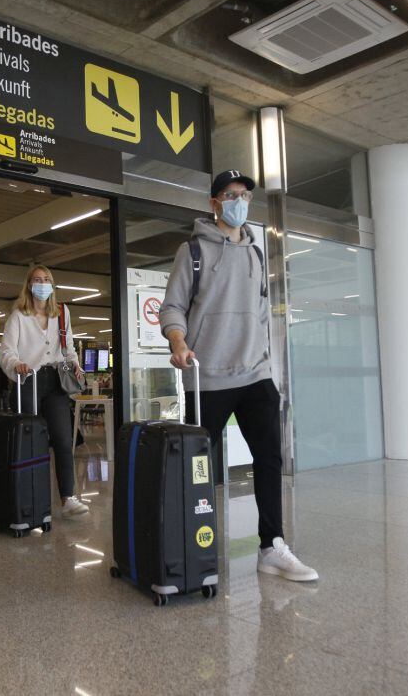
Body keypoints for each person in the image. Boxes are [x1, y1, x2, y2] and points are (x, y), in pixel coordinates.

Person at [159, 169, 318, 582]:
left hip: (254, 372)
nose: (240, 201)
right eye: (231, 195)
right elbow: (172, 307)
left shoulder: (256, 252)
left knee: (269, 458)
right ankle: (191, 540)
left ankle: (272, 545)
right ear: (215, 203)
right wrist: (178, 344)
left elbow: (262, 310)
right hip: (207, 375)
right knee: (198, 468)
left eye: (245, 195)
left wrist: (266, 357)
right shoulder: (192, 250)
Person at [0, 264, 90, 518]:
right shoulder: (19, 315)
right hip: (29, 380)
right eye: (37, 280)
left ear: (52, 285)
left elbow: (68, 345)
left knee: (62, 439)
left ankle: (68, 497)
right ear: (29, 285)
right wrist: (16, 364)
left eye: (46, 279)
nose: (42, 284)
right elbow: (6, 351)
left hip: (55, 380)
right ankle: (30, 496)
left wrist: (75, 363)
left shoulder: (61, 313)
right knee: (31, 441)